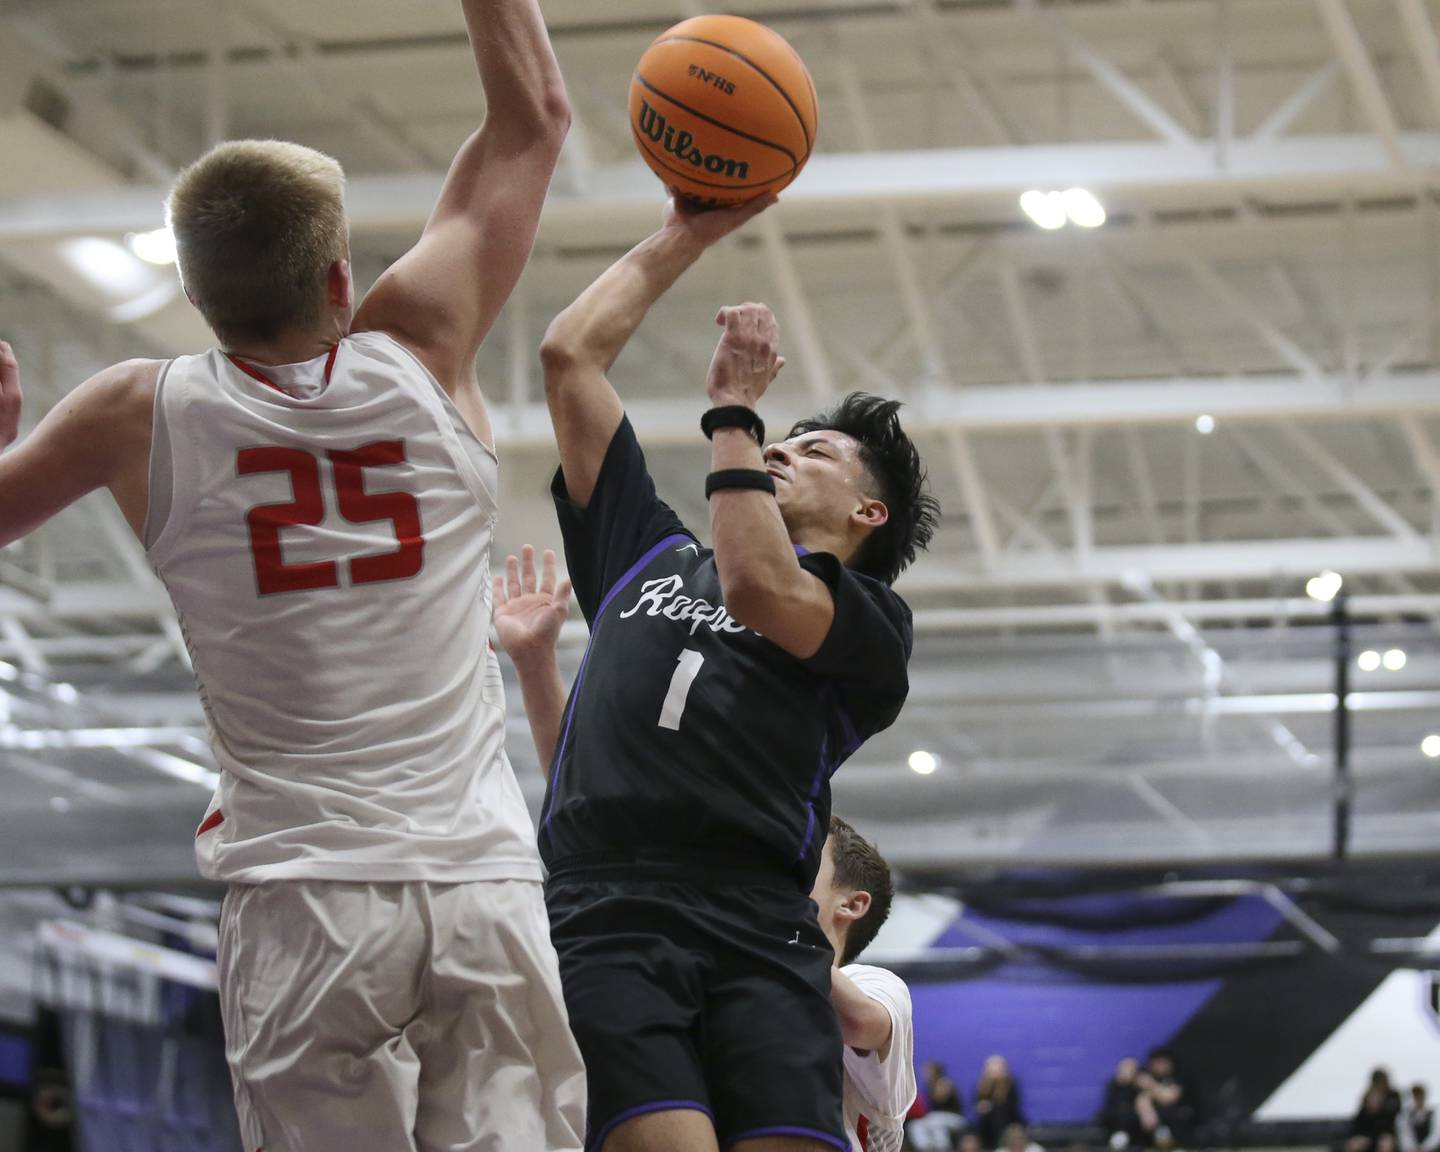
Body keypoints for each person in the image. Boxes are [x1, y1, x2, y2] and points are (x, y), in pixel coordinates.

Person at [0, 4, 583, 1150]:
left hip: (306, 898)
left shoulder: (134, 410)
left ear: (195, 292)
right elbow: (536, 122)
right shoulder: (419, 342)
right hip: (479, 881)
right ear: (340, 277)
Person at [531, 192, 937, 1152]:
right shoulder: (644, 555)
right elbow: (569, 358)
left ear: (868, 517)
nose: (783, 450)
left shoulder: (870, 622)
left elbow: (761, 584)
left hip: (759, 921)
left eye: (817, 450)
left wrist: (736, 415)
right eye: (779, 442)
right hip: (611, 906)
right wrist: (692, 230)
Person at [493, 547, 921, 1152]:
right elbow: (594, 804)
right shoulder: (695, 962)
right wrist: (536, 663)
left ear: (852, 903)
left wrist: (736, 912)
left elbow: (855, 1021)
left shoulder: (878, 988)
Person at [1135, 1049, 1188, 1151]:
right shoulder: (1149, 1075)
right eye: (1156, 1063)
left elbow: (1170, 1097)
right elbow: (1142, 1098)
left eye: (1162, 1062)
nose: (1159, 1066)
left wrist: (1150, 1084)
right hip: (1153, 1124)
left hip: (1178, 1120)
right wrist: (1146, 1112)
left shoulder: (1179, 1075)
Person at [908, 1063, 966, 1152]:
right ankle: (925, 1147)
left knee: (934, 1121)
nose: (925, 1073)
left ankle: (944, 1148)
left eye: (928, 1070)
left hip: (955, 1118)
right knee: (915, 1125)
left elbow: (940, 1098)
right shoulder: (928, 1085)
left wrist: (938, 1089)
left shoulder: (944, 1082)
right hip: (935, 1118)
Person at [975, 1057, 1025, 1149]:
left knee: (998, 1114)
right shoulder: (981, 1085)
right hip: (986, 1120)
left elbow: (1012, 1105)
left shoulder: (1011, 1083)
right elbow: (976, 1103)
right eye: (991, 1067)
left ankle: (999, 1146)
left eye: (997, 1067)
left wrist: (992, 1106)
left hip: (1009, 1118)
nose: (994, 1070)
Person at [1100, 1057, 1143, 1149]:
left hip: (1135, 1128)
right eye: (1123, 1069)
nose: (1126, 1072)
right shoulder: (1113, 1085)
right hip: (1114, 1125)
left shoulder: (1140, 1086)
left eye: (1130, 1069)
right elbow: (1110, 1109)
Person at [1399, 1084, 1438, 1152]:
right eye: (1416, 1096)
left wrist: (1424, 1148)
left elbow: (1435, 1135)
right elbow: (1405, 1135)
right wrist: (1412, 1148)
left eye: (1420, 1096)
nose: (1418, 1099)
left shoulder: (1432, 1114)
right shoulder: (1406, 1115)